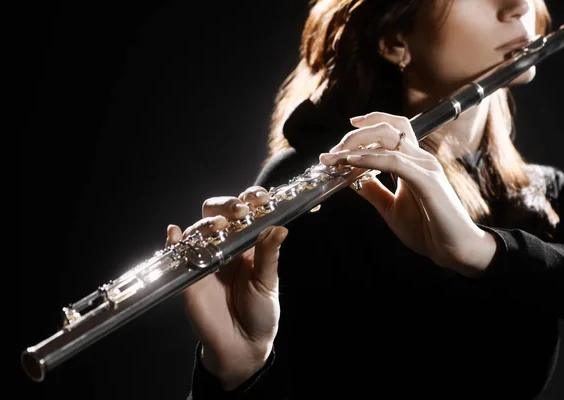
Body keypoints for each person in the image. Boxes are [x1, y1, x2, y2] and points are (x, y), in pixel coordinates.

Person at [166, 0, 564, 398]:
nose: (519, 6)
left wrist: (484, 251)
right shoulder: (324, 185)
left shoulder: (545, 194)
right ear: (395, 42)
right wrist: (237, 373)